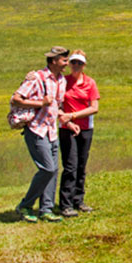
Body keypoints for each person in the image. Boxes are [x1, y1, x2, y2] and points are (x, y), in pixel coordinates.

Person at [11, 46, 79, 223]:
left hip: (51, 131)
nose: (66, 63)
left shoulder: (61, 81)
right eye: (64, 60)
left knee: (53, 170)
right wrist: (40, 102)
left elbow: (57, 107)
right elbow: (16, 99)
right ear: (54, 60)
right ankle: (25, 205)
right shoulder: (37, 78)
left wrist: (68, 122)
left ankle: (46, 209)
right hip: (36, 130)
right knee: (47, 169)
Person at [58, 49, 100, 216]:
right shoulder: (63, 82)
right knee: (70, 165)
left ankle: (78, 200)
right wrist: (67, 120)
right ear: (69, 64)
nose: (76, 66)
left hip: (85, 128)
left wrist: (73, 115)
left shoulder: (90, 83)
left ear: (84, 65)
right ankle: (65, 204)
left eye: (79, 63)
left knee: (81, 165)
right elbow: (57, 104)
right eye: (73, 62)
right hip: (66, 129)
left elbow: (94, 108)